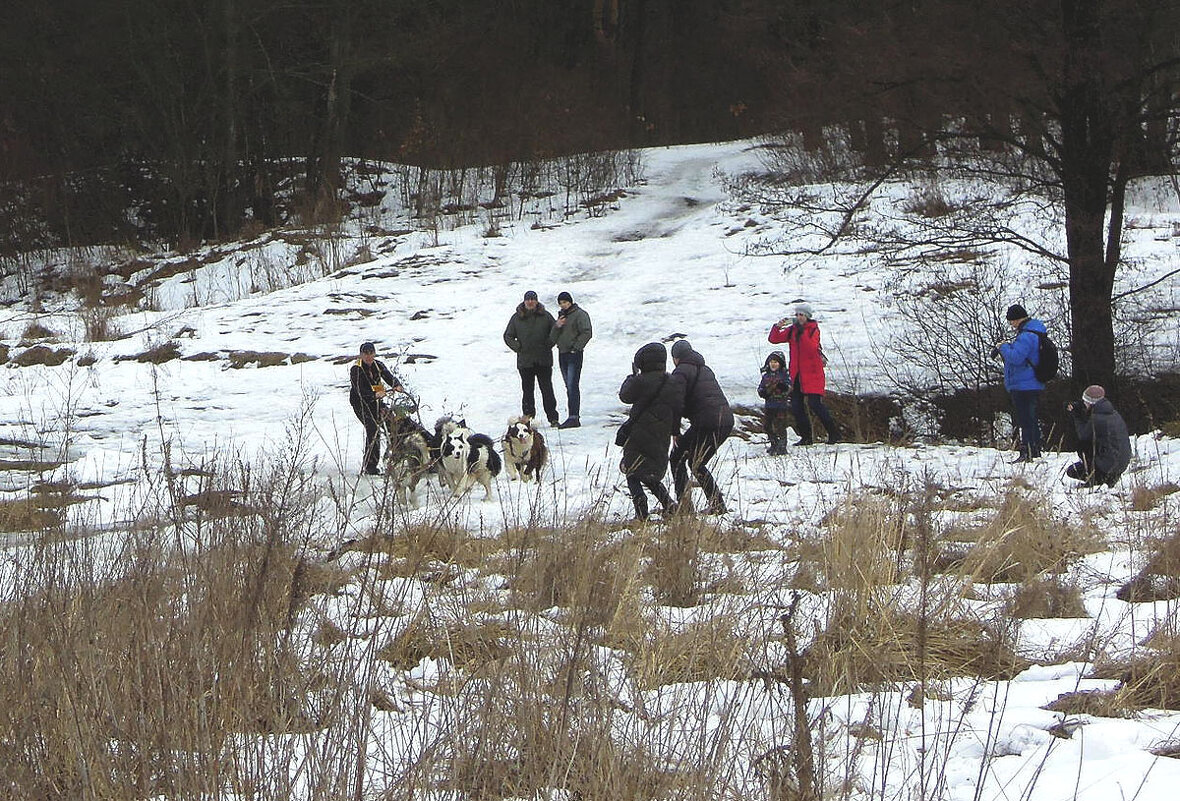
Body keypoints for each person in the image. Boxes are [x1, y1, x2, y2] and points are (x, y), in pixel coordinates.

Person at [618, 342, 685, 521]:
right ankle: (669, 504)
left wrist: (631, 377)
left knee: (632, 471)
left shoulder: (640, 381)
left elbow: (625, 396)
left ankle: (641, 509)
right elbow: (678, 407)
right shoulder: (671, 381)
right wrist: (674, 431)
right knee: (650, 473)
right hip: (661, 435)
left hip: (639, 433)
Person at [669, 339, 734, 514]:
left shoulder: (680, 372)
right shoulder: (705, 369)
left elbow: (676, 403)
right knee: (697, 463)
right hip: (726, 420)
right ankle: (717, 504)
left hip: (706, 421)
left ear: (676, 358)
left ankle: (685, 505)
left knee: (677, 458)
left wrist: (675, 431)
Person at [768, 302, 839, 445]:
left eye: (801, 315)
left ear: (807, 316)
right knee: (796, 406)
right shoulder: (792, 330)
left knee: (815, 404)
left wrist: (802, 333)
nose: (799, 317)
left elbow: (811, 348)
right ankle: (806, 437)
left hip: (813, 374)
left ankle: (834, 434)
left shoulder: (813, 330)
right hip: (797, 375)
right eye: (797, 315)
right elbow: (774, 339)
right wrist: (777, 327)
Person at [992, 303, 1047, 462]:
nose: (1011, 325)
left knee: (1025, 419)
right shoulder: (1034, 332)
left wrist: (1003, 347)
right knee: (1030, 417)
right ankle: (1034, 450)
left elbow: (1016, 358)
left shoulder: (1026, 336)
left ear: (1018, 319)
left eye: (1012, 321)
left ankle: (1027, 451)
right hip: (1031, 382)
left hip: (1024, 383)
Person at [503, 290, 560, 426]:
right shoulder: (516, 318)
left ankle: (553, 418)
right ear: (524, 301)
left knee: (547, 389)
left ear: (536, 301)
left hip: (543, 360)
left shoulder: (545, 316)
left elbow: (555, 331)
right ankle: (528, 418)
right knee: (527, 391)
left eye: (532, 299)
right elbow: (508, 336)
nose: (530, 302)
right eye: (528, 299)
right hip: (525, 361)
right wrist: (518, 347)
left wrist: (548, 344)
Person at [349, 341, 406, 475]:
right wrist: (374, 395)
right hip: (361, 404)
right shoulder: (356, 369)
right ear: (361, 355)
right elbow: (360, 390)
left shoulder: (378, 365)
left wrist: (396, 385)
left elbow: (388, 376)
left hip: (376, 402)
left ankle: (398, 457)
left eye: (371, 353)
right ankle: (370, 467)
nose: (368, 357)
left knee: (394, 423)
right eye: (365, 354)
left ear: (374, 354)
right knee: (373, 429)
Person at [1066, 385, 1131, 487]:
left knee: (1081, 449)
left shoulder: (1097, 418)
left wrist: (1076, 415)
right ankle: (1109, 477)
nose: (1084, 404)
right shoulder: (1113, 413)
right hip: (1121, 464)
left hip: (1108, 466)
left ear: (1091, 403)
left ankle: (1097, 478)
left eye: (1085, 402)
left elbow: (1083, 435)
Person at [551, 290, 592, 429]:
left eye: (565, 302)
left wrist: (576, 347)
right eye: (561, 303)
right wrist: (557, 326)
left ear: (570, 301)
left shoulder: (580, 314)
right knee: (569, 386)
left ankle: (574, 417)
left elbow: (587, 332)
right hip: (562, 353)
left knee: (572, 385)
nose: (563, 305)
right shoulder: (561, 317)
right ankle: (572, 416)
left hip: (574, 354)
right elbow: (552, 337)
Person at [758, 350, 791, 455]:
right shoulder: (766, 376)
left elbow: (790, 387)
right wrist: (762, 392)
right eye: (771, 362)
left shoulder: (784, 375)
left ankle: (782, 446)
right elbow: (760, 388)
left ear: (780, 364)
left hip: (781, 405)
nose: (773, 364)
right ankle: (774, 443)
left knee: (781, 426)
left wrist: (784, 387)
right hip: (769, 405)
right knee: (767, 426)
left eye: (776, 362)